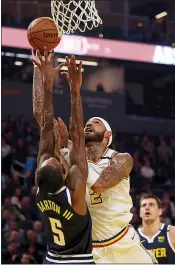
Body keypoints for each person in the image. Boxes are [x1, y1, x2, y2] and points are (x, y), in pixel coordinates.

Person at [32, 51, 156, 263]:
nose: (89, 123)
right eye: (87, 122)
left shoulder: (120, 158)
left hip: (123, 242)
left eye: (96, 122)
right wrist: (39, 72)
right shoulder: (72, 154)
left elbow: (101, 183)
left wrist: (66, 154)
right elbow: (40, 116)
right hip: (90, 250)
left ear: (108, 135)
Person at [32, 49, 94, 264]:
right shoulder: (74, 193)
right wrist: (74, 90)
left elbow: (45, 131)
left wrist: (47, 86)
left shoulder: (44, 184)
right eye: (58, 162)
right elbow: (77, 135)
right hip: (78, 261)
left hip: (51, 258)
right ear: (63, 175)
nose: (56, 158)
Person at [138, 194, 175, 264]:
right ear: (140, 213)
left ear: (160, 211)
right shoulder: (133, 238)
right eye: (143, 205)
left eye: (151, 205)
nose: (147, 208)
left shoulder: (172, 232)